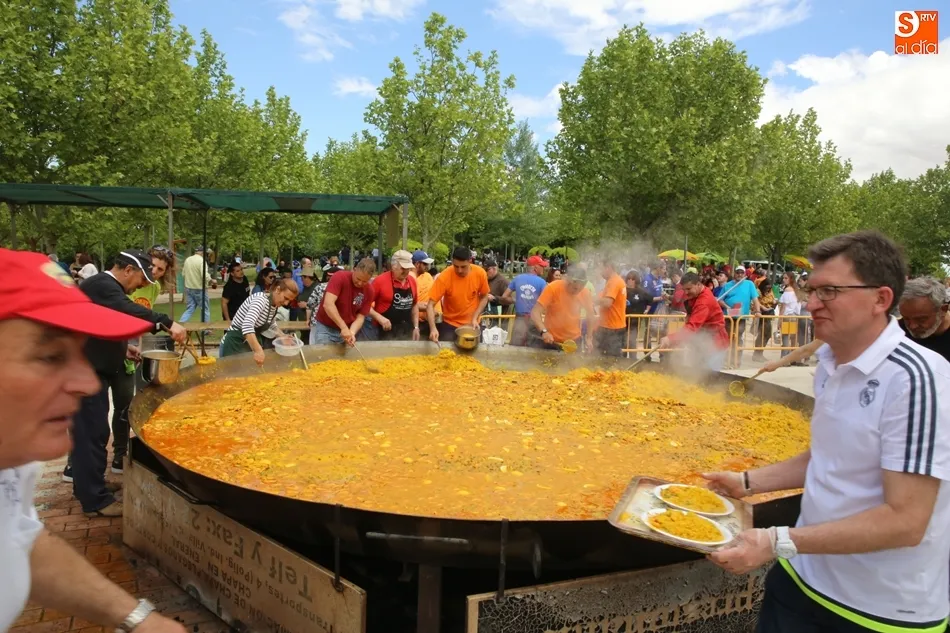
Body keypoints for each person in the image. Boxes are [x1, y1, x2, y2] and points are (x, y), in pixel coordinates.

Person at [705, 231, 950, 633]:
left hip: (876, 610)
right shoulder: (832, 363)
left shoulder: (918, 379)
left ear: (881, 299)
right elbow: (828, 454)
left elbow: (906, 522)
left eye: (830, 291)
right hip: (801, 579)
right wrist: (746, 482)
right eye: (811, 289)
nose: (811, 303)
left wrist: (776, 541)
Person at [0, 248, 188, 633]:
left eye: (78, 352)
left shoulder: (15, 465)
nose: (86, 383)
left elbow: (19, 538)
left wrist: (139, 620)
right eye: (50, 356)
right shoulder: (105, 285)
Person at [72, 251, 188, 518]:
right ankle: (95, 501)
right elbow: (126, 310)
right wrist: (166, 322)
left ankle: (91, 487)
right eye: (140, 278)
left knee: (96, 433)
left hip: (93, 367)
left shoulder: (105, 288)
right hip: (85, 372)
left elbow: (100, 325)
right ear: (127, 271)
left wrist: (124, 350)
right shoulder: (103, 285)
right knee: (91, 434)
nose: (141, 285)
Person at [658, 272, 729, 371]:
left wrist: (670, 338)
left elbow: (692, 327)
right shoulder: (695, 294)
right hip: (701, 340)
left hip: (715, 342)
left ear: (699, 284)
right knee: (697, 372)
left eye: (689, 289)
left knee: (709, 377)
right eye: (684, 289)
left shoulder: (704, 302)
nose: (686, 293)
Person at [219, 279, 299, 366]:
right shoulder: (260, 300)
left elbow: (271, 325)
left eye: (289, 301)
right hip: (233, 344)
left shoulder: (274, 305)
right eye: (286, 298)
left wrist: (283, 337)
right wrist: (258, 350)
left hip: (246, 344)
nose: (286, 303)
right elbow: (247, 326)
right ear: (278, 290)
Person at [427, 246, 490, 344]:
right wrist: (433, 328)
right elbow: (430, 305)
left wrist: (475, 317)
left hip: (472, 324)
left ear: (470, 261)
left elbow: (485, 296)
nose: (459, 270)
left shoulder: (480, 273)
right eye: (456, 266)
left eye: (463, 267)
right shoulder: (444, 277)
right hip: (450, 324)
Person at [312, 258, 376, 346]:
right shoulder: (340, 277)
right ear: (354, 269)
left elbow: (361, 316)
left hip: (347, 329)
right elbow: (328, 304)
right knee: (324, 357)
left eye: (365, 281)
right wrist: (343, 327)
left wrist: (352, 332)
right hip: (326, 328)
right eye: (358, 279)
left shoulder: (370, 291)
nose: (360, 283)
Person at [529, 266, 595, 352]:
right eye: (575, 288)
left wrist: (589, 337)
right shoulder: (553, 288)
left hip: (574, 342)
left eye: (581, 288)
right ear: (567, 281)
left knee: (575, 365)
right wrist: (544, 331)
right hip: (551, 340)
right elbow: (535, 312)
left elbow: (590, 315)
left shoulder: (585, 292)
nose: (577, 291)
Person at [368, 250, 420, 341]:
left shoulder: (412, 281)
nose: (406, 271)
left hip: (406, 329)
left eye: (408, 268)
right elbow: (365, 305)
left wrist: (416, 327)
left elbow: (415, 305)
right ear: (393, 266)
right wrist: (379, 318)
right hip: (383, 331)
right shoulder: (380, 281)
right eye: (403, 268)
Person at [717, 267, 761, 366]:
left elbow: (755, 299)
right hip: (728, 317)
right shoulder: (728, 285)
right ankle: (727, 360)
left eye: (742, 273)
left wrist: (757, 310)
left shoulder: (749, 284)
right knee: (727, 338)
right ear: (734, 273)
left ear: (744, 273)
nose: (740, 275)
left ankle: (736, 360)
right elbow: (720, 300)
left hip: (741, 317)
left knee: (737, 337)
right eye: (737, 272)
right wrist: (728, 307)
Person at [898, 276, 950, 360]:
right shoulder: (898, 331)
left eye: (921, 320)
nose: (912, 326)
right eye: (906, 318)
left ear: (943, 310)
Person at [502, 255, 548, 346]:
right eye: (541, 266)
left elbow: (504, 296)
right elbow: (547, 302)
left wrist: (515, 300)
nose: (544, 268)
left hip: (519, 319)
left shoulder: (518, 278)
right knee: (534, 348)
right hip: (534, 321)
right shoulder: (542, 282)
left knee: (516, 346)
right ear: (535, 267)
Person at [595, 260, 627, 357]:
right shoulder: (614, 280)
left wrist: (592, 300)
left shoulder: (614, 281)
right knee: (603, 355)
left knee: (612, 359)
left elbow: (608, 302)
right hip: (611, 326)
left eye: (601, 269)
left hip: (612, 328)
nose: (600, 272)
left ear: (608, 267)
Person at [179, 245, 216, 323]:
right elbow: (204, 275)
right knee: (205, 309)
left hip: (189, 288)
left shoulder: (187, 260)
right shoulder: (202, 261)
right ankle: (206, 329)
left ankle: (181, 324)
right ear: (202, 253)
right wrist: (212, 280)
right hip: (200, 289)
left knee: (190, 309)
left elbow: (183, 274)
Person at [410, 250, 437, 337]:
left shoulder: (427, 276)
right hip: (414, 323)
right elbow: (407, 303)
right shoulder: (409, 279)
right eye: (425, 264)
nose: (427, 267)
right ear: (417, 264)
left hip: (429, 321)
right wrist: (424, 306)